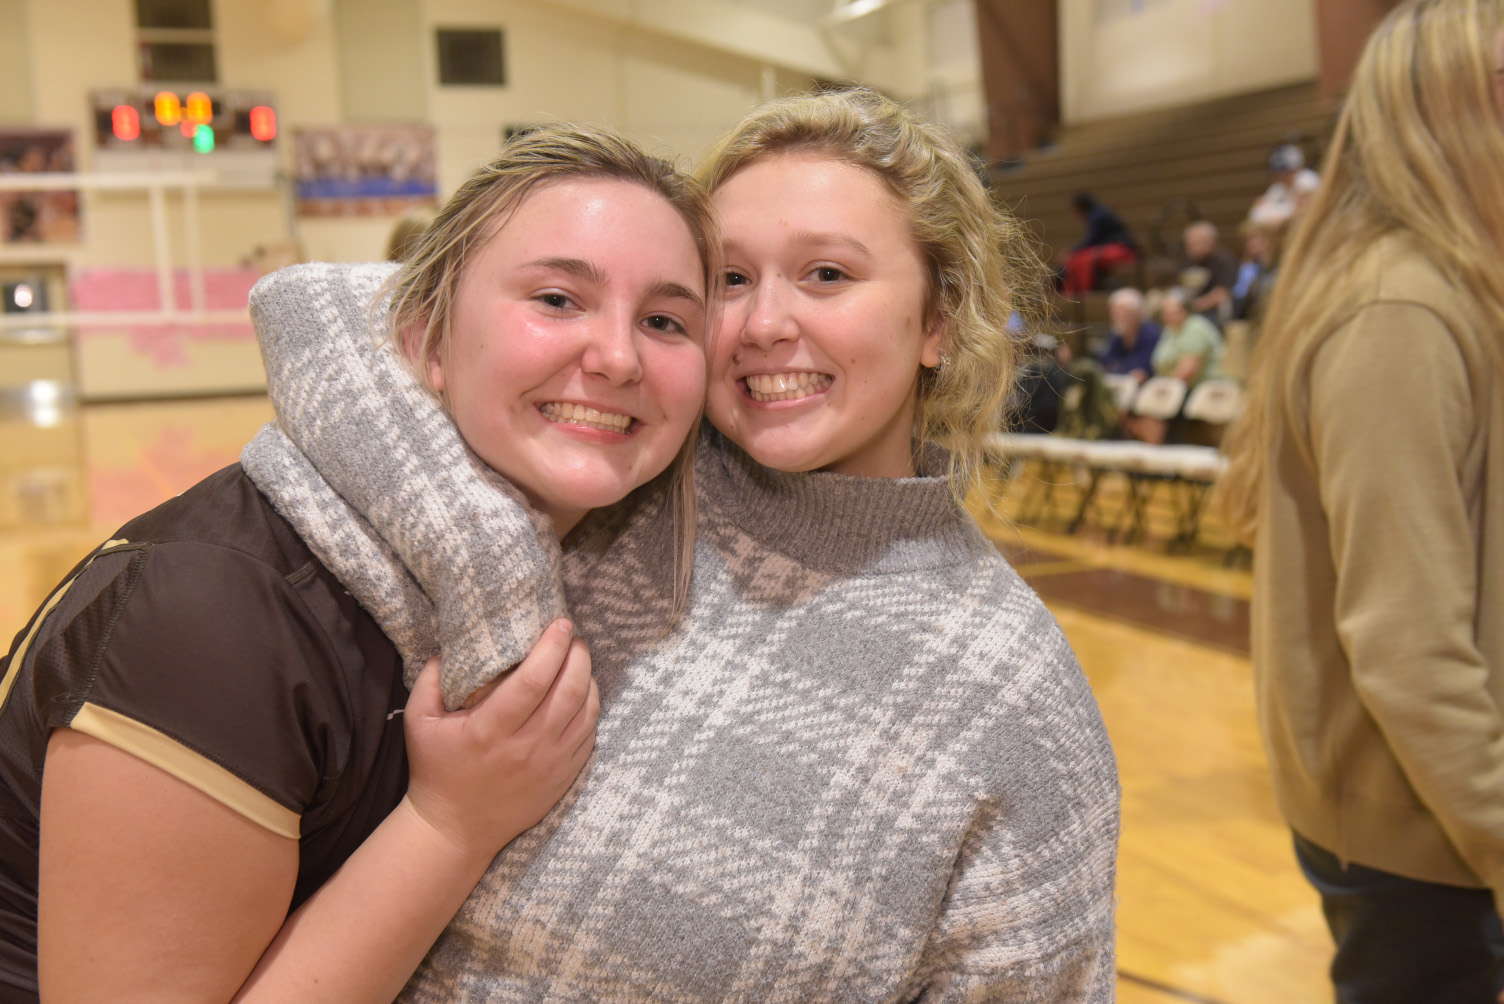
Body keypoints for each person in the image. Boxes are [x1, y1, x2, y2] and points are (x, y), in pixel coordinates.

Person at [252, 87, 1120, 1002]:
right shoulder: (599, 477)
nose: (763, 324)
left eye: (827, 274)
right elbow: (322, 313)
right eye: (730, 280)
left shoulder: (1012, 694)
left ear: (937, 320)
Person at [0, 123, 720, 1003]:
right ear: (426, 342)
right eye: (558, 299)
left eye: (664, 321)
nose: (617, 357)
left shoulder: (558, 564)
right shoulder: (210, 616)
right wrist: (452, 821)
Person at [1220, 1, 1504, 1000]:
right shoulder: (1399, 310)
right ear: (1454, 110)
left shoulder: (1450, 284)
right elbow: (1406, 646)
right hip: (1425, 833)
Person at [1123, 287, 1222, 445]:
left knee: (1154, 404)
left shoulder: (1196, 327)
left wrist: (1158, 389)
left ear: (1185, 309)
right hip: (1173, 386)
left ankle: (1156, 445)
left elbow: (1187, 372)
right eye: (1165, 311)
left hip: (1197, 388)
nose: (1167, 314)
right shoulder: (1169, 330)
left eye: (1173, 310)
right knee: (1131, 401)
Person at [1060, 191, 1139, 296]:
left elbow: (1092, 240)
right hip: (1113, 245)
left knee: (1082, 260)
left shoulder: (1098, 215)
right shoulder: (1098, 213)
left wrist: (1072, 251)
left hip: (1121, 248)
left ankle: (1082, 291)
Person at [1248, 143, 1319, 232]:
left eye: (1285, 172)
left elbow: (1302, 212)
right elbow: (1256, 214)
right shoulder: (1277, 188)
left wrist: (1278, 217)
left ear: (1295, 169)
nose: (1281, 177)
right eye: (1278, 173)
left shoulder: (1307, 180)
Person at [1178, 219, 1238, 323]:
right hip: (1185, 311)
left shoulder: (1224, 260)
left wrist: (1192, 307)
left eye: (1199, 243)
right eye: (1191, 244)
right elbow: (1178, 289)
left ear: (1212, 242)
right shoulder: (1185, 261)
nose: (1195, 248)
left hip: (1212, 313)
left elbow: (1222, 293)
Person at [1098, 286, 1161, 381]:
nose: (1119, 316)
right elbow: (1106, 364)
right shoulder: (1116, 334)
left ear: (1137, 313)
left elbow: (1142, 372)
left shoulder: (1151, 334)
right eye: (1115, 312)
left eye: (1124, 312)